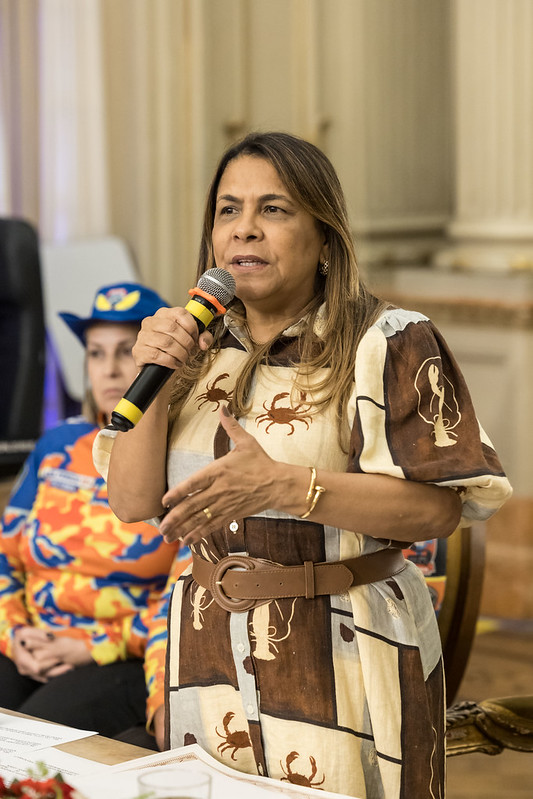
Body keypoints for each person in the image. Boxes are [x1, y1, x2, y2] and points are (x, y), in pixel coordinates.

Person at [95, 133, 512, 798]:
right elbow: (131, 501)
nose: (245, 229)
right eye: (228, 210)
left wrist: (290, 486)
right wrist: (157, 377)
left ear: (325, 238)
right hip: (206, 647)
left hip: (344, 645)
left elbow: (438, 507)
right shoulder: (193, 347)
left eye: (274, 210)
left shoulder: (389, 341)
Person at [0, 281, 190, 740]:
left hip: (121, 659)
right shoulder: (57, 446)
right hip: (29, 641)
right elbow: (6, 558)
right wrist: (13, 635)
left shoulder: (184, 459)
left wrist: (93, 647)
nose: (109, 370)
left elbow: (179, 611)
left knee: (25, 741)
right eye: (95, 353)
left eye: (127, 352)